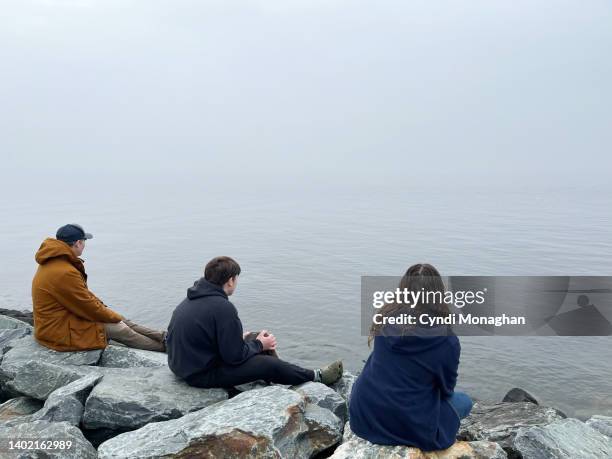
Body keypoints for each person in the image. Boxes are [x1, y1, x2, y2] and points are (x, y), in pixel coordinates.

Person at [166, 256, 343, 388]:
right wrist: (259, 345)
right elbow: (234, 357)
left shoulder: (192, 298)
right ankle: (315, 377)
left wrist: (245, 339)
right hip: (200, 375)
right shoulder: (223, 308)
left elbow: (205, 337)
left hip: (183, 366)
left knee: (254, 336)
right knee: (266, 362)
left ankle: (279, 376)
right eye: (236, 279)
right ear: (230, 280)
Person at [349, 264, 472, 451]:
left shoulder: (386, 316)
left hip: (363, 415)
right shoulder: (447, 341)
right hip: (408, 426)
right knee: (464, 401)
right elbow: (447, 391)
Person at [32, 224, 167, 352]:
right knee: (119, 328)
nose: (85, 245)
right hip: (57, 331)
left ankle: (163, 337)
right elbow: (87, 306)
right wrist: (112, 316)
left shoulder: (55, 261)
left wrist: (110, 312)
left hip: (61, 319)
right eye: (84, 241)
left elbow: (82, 296)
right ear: (78, 243)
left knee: (120, 319)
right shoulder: (64, 271)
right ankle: (164, 348)